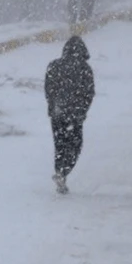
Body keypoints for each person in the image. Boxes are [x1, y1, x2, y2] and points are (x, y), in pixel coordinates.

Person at [44, 36, 95, 195]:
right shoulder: (84, 68)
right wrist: (82, 110)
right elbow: (89, 93)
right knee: (75, 145)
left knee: (60, 144)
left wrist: (54, 106)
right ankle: (64, 172)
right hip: (75, 114)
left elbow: (48, 90)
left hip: (57, 113)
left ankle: (60, 171)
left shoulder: (53, 66)